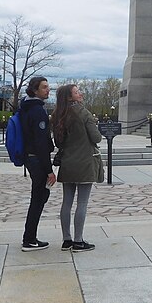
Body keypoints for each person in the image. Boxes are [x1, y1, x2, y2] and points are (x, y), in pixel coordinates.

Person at [52, 83, 103, 253]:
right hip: (85, 163)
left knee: (66, 202)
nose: (80, 94)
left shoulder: (58, 115)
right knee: (82, 203)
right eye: (76, 92)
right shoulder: (83, 113)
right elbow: (96, 137)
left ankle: (66, 239)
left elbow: (58, 142)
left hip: (67, 164)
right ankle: (79, 241)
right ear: (69, 97)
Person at [19, 77, 56, 251]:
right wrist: (49, 171)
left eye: (48, 87)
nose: (48, 90)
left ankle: (30, 237)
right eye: (44, 87)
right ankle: (29, 239)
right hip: (37, 159)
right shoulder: (37, 111)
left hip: (29, 157)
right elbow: (41, 143)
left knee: (39, 197)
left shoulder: (25, 107)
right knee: (39, 198)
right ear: (35, 90)